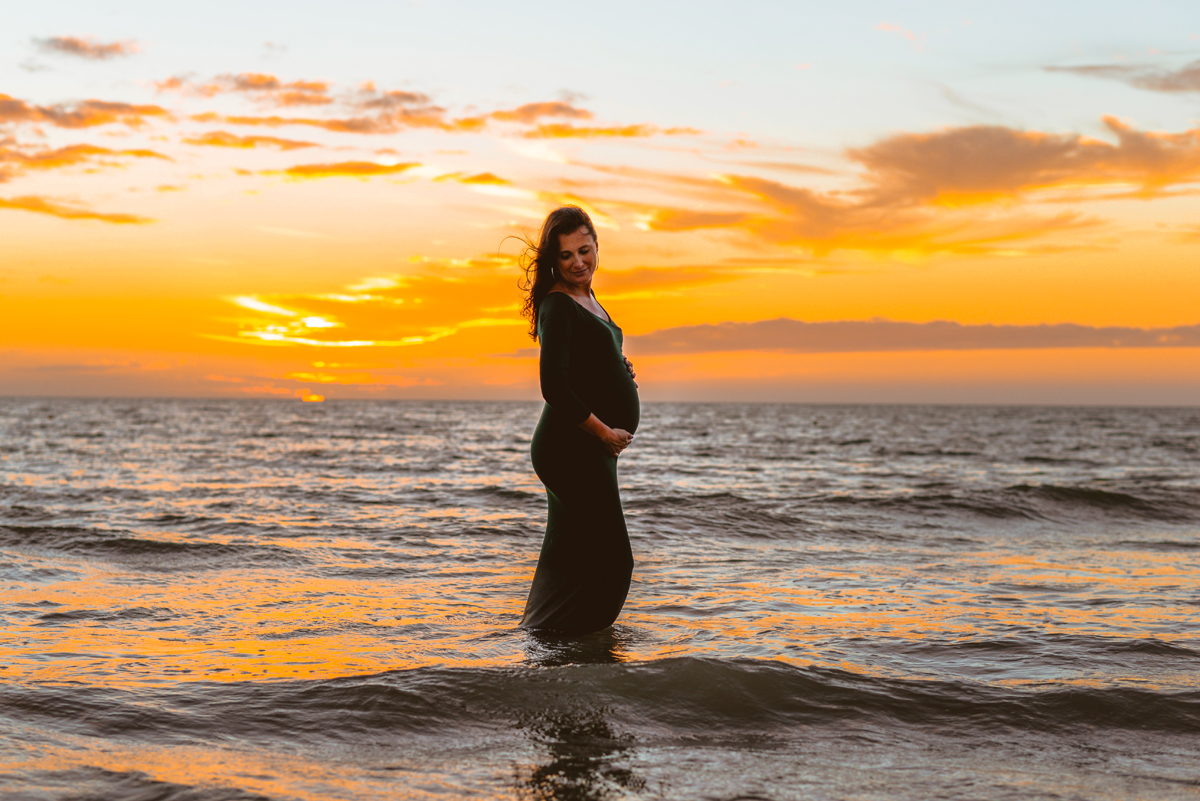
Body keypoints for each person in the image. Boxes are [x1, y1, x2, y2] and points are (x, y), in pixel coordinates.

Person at [517, 205, 640, 634]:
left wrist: (618, 370)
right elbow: (553, 385)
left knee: (568, 554)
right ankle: (582, 649)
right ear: (554, 258)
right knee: (614, 560)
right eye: (566, 255)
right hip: (571, 447)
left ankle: (544, 642)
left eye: (584, 251)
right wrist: (604, 432)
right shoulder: (557, 304)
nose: (578, 262)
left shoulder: (587, 299)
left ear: (596, 247)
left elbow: (582, 364)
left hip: (588, 446)